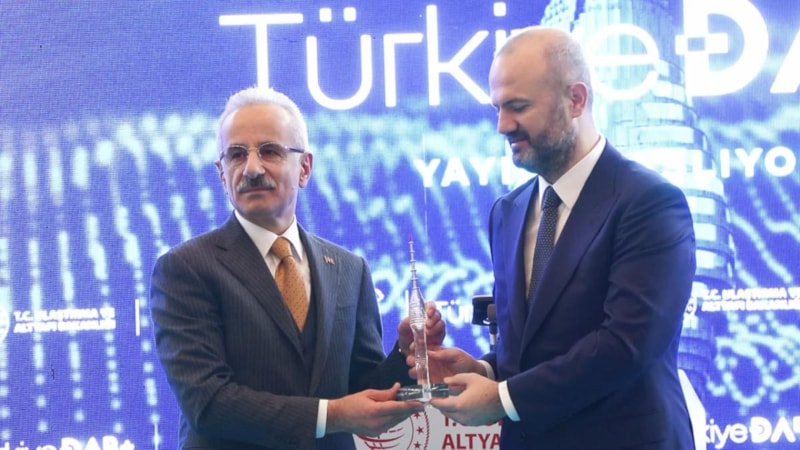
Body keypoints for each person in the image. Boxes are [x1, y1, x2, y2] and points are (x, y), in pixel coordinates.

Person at [427, 26, 697, 449]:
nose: (502, 126)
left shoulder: (649, 202)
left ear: (576, 100)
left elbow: (626, 344)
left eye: (517, 107)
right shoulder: (508, 211)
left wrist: (502, 398)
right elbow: (530, 347)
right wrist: (485, 371)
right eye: (497, 108)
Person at [149, 85, 444, 450]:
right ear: (222, 174)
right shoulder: (184, 269)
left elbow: (364, 390)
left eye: (269, 151)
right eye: (236, 155)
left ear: (305, 168)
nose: (252, 169)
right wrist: (331, 415)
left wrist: (406, 354)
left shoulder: (349, 270)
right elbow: (208, 402)